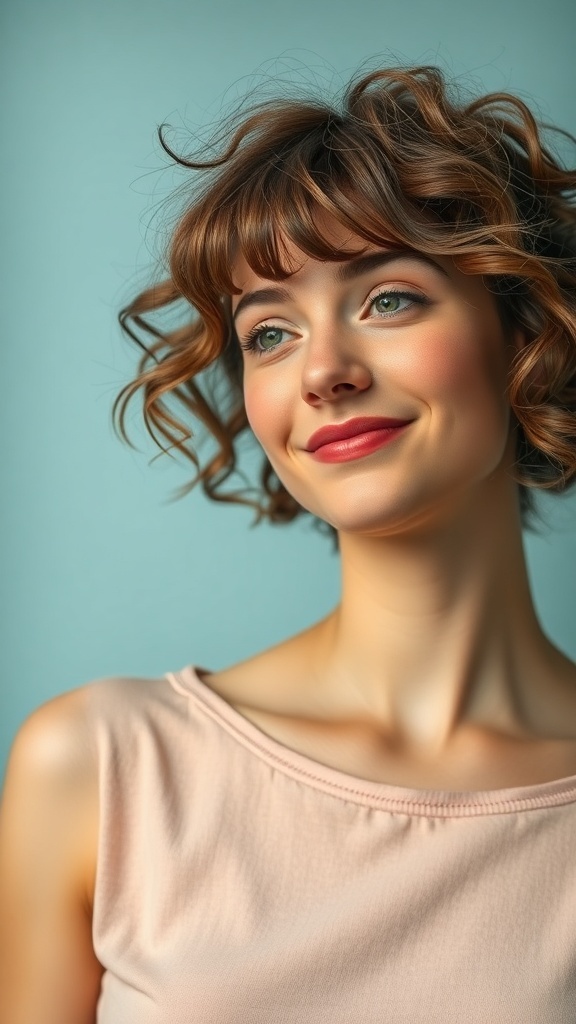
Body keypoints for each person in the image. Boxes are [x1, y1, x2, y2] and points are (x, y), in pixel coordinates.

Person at [1, 64, 576, 1022]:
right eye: (269, 332)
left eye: (388, 299)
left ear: (525, 334)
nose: (323, 372)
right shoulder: (102, 766)